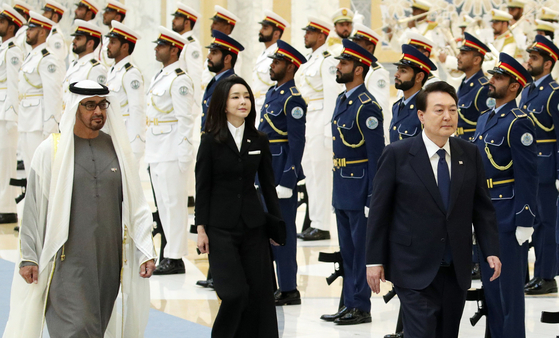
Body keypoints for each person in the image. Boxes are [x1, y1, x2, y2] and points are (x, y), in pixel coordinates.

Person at [2, 80, 156, 338]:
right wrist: (29, 256)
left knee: (95, 327)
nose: (98, 111)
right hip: (66, 260)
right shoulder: (50, 150)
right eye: (89, 105)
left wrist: (145, 250)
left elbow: (136, 205)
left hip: (107, 259)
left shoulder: (117, 148)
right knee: (75, 327)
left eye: (102, 105)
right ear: (74, 107)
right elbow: (33, 208)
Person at [366, 81, 502, 338]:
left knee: (447, 333)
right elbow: (379, 212)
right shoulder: (397, 154)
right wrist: (374, 261)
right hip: (411, 267)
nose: (448, 116)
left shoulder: (469, 153)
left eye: (452, 109)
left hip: (455, 268)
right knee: (421, 332)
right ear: (421, 115)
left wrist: (491, 251)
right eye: (439, 110)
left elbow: (482, 209)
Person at [196, 76, 282, 338]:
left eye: (246, 96)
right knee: (234, 294)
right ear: (223, 104)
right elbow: (202, 186)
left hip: (253, 227)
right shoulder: (210, 140)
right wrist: (201, 229)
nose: (242, 101)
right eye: (235, 97)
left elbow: (268, 186)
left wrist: (276, 227)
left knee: (259, 295)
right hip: (219, 227)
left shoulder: (259, 140)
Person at [473, 52, 538, 338]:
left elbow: (527, 174)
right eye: (493, 75)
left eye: (498, 78)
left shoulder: (518, 121)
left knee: (509, 290)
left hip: (508, 215)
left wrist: (525, 219)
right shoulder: (485, 118)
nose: (491, 81)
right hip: (485, 213)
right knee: (490, 287)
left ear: (514, 86)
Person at [327, 39, 385, 325]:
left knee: (360, 250)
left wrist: (373, 197)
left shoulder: (367, 106)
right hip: (343, 186)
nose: (339, 66)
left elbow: (377, 158)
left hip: (360, 187)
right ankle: (349, 302)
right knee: (347, 251)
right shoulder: (343, 100)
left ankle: (361, 306)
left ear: (359, 69)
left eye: (345, 63)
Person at [258, 40, 307, 306]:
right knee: (266, 231)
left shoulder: (293, 99)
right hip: (265, 171)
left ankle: (289, 288)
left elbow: (296, 143)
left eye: (276, 62)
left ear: (289, 66)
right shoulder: (272, 93)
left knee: (283, 231)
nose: (272, 66)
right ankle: (273, 284)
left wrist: (289, 178)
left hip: (280, 173)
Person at [147, 27, 195, 275]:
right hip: (157, 149)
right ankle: (168, 253)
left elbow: (185, 119)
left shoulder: (179, 79)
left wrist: (185, 154)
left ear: (174, 49)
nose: (156, 49)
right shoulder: (161, 76)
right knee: (164, 205)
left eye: (161, 46)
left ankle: (175, 258)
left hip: (172, 151)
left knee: (174, 204)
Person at [296, 16, 343, 241]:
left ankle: (322, 225)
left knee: (321, 174)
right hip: (309, 118)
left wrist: (328, 131)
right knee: (310, 172)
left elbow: (333, 97)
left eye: (310, 32)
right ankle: (314, 222)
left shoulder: (328, 61)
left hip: (321, 119)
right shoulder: (310, 60)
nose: (306, 35)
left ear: (322, 36)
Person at [520, 36, 559, 295]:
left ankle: (547, 276)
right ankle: (537, 274)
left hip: (547, 170)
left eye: (534, 59)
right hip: (530, 168)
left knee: (547, 224)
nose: (528, 62)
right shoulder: (528, 91)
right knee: (534, 223)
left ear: (547, 65)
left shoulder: (554, 93)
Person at [18, 11, 64, 176]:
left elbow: (53, 95)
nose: (27, 32)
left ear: (43, 32)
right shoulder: (32, 56)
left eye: (32, 29)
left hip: (39, 123)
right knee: (31, 171)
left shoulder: (47, 58)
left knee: (42, 173)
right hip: (26, 120)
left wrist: (50, 128)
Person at [105, 20, 146, 166]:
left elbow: (137, 109)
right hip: (112, 134)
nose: (108, 46)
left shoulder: (131, 73)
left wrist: (136, 145)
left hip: (125, 138)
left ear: (125, 46)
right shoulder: (112, 71)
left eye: (113, 42)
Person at [0, 5, 25, 225]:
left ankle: (7, 207)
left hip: (5, 114)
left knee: (6, 161)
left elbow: (14, 86)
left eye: (1, 22)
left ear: (11, 26)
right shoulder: (3, 49)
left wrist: (11, 117)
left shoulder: (13, 51)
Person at [389, 44, 436, 143]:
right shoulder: (397, 106)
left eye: (403, 71)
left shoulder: (427, 108)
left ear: (419, 77)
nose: (396, 74)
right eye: (398, 69)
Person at [201, 30, 244, 131]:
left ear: (227, 58)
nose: (208, 56)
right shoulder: (215, 81)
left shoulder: (233, 85)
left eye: (214, 53)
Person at [454, 33, 491, 141]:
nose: (458, 57)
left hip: (472, 145)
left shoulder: (483, 88)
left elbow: (487, 126)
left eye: (463, 53)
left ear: (476, 60)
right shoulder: (464, 83)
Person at [350, 23, 390, 121]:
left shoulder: (377, 72)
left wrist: (382, 135)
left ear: (369, 48)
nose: (352, 47)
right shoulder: (353, 68)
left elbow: (380, 107)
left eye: (357, 43)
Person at [63, 20, 107, 106]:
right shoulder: (74, 64)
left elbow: (97, 101)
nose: (73, 41)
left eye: (78, 39)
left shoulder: (95, 68)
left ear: (90, 43)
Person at [253, 10, 289, 114]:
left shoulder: (278, 56)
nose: (260, 31)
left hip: (270, 107)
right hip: (257, 105)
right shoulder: (262, 54)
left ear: (276, 33)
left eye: (265, 28)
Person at [201, 5, 241, 89]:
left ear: (227, 27)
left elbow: (231, 81)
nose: (211, 26)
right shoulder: (216, 46)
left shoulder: (231, 51)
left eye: (215, 23)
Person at [100, 0, 127, 68]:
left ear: (117, 17)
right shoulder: (106, 37)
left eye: (108, 12)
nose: (104, 14)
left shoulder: (121, 38)